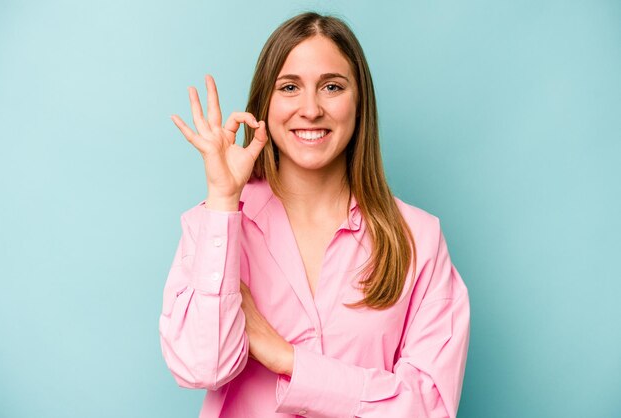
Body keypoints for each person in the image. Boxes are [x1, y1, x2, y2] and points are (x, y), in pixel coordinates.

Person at [159, 11, 470, 418]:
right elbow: (203, 366)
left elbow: (427, 407)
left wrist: (286, 358)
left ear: (359, 103)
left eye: (332, 87)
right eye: (289, 87)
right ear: (264, 104)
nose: (310, 109)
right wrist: (222, 197)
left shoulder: (419, 238)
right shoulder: (213, 225)